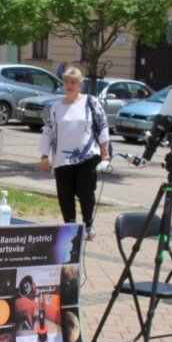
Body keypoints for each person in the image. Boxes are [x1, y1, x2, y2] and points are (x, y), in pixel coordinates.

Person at [38, 66, 110, 238]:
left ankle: (87, 224)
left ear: (80, 85)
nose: (69, 86)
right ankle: (70, 226)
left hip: (87, 156)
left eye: (73, 83)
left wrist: (105, 153)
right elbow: (48, 131)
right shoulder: (56, 107)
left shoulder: (90, 102)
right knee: (65, 195)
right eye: (66, 82)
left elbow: (103, 127)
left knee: (86, 192)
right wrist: (44, 155)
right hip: (62, 158)